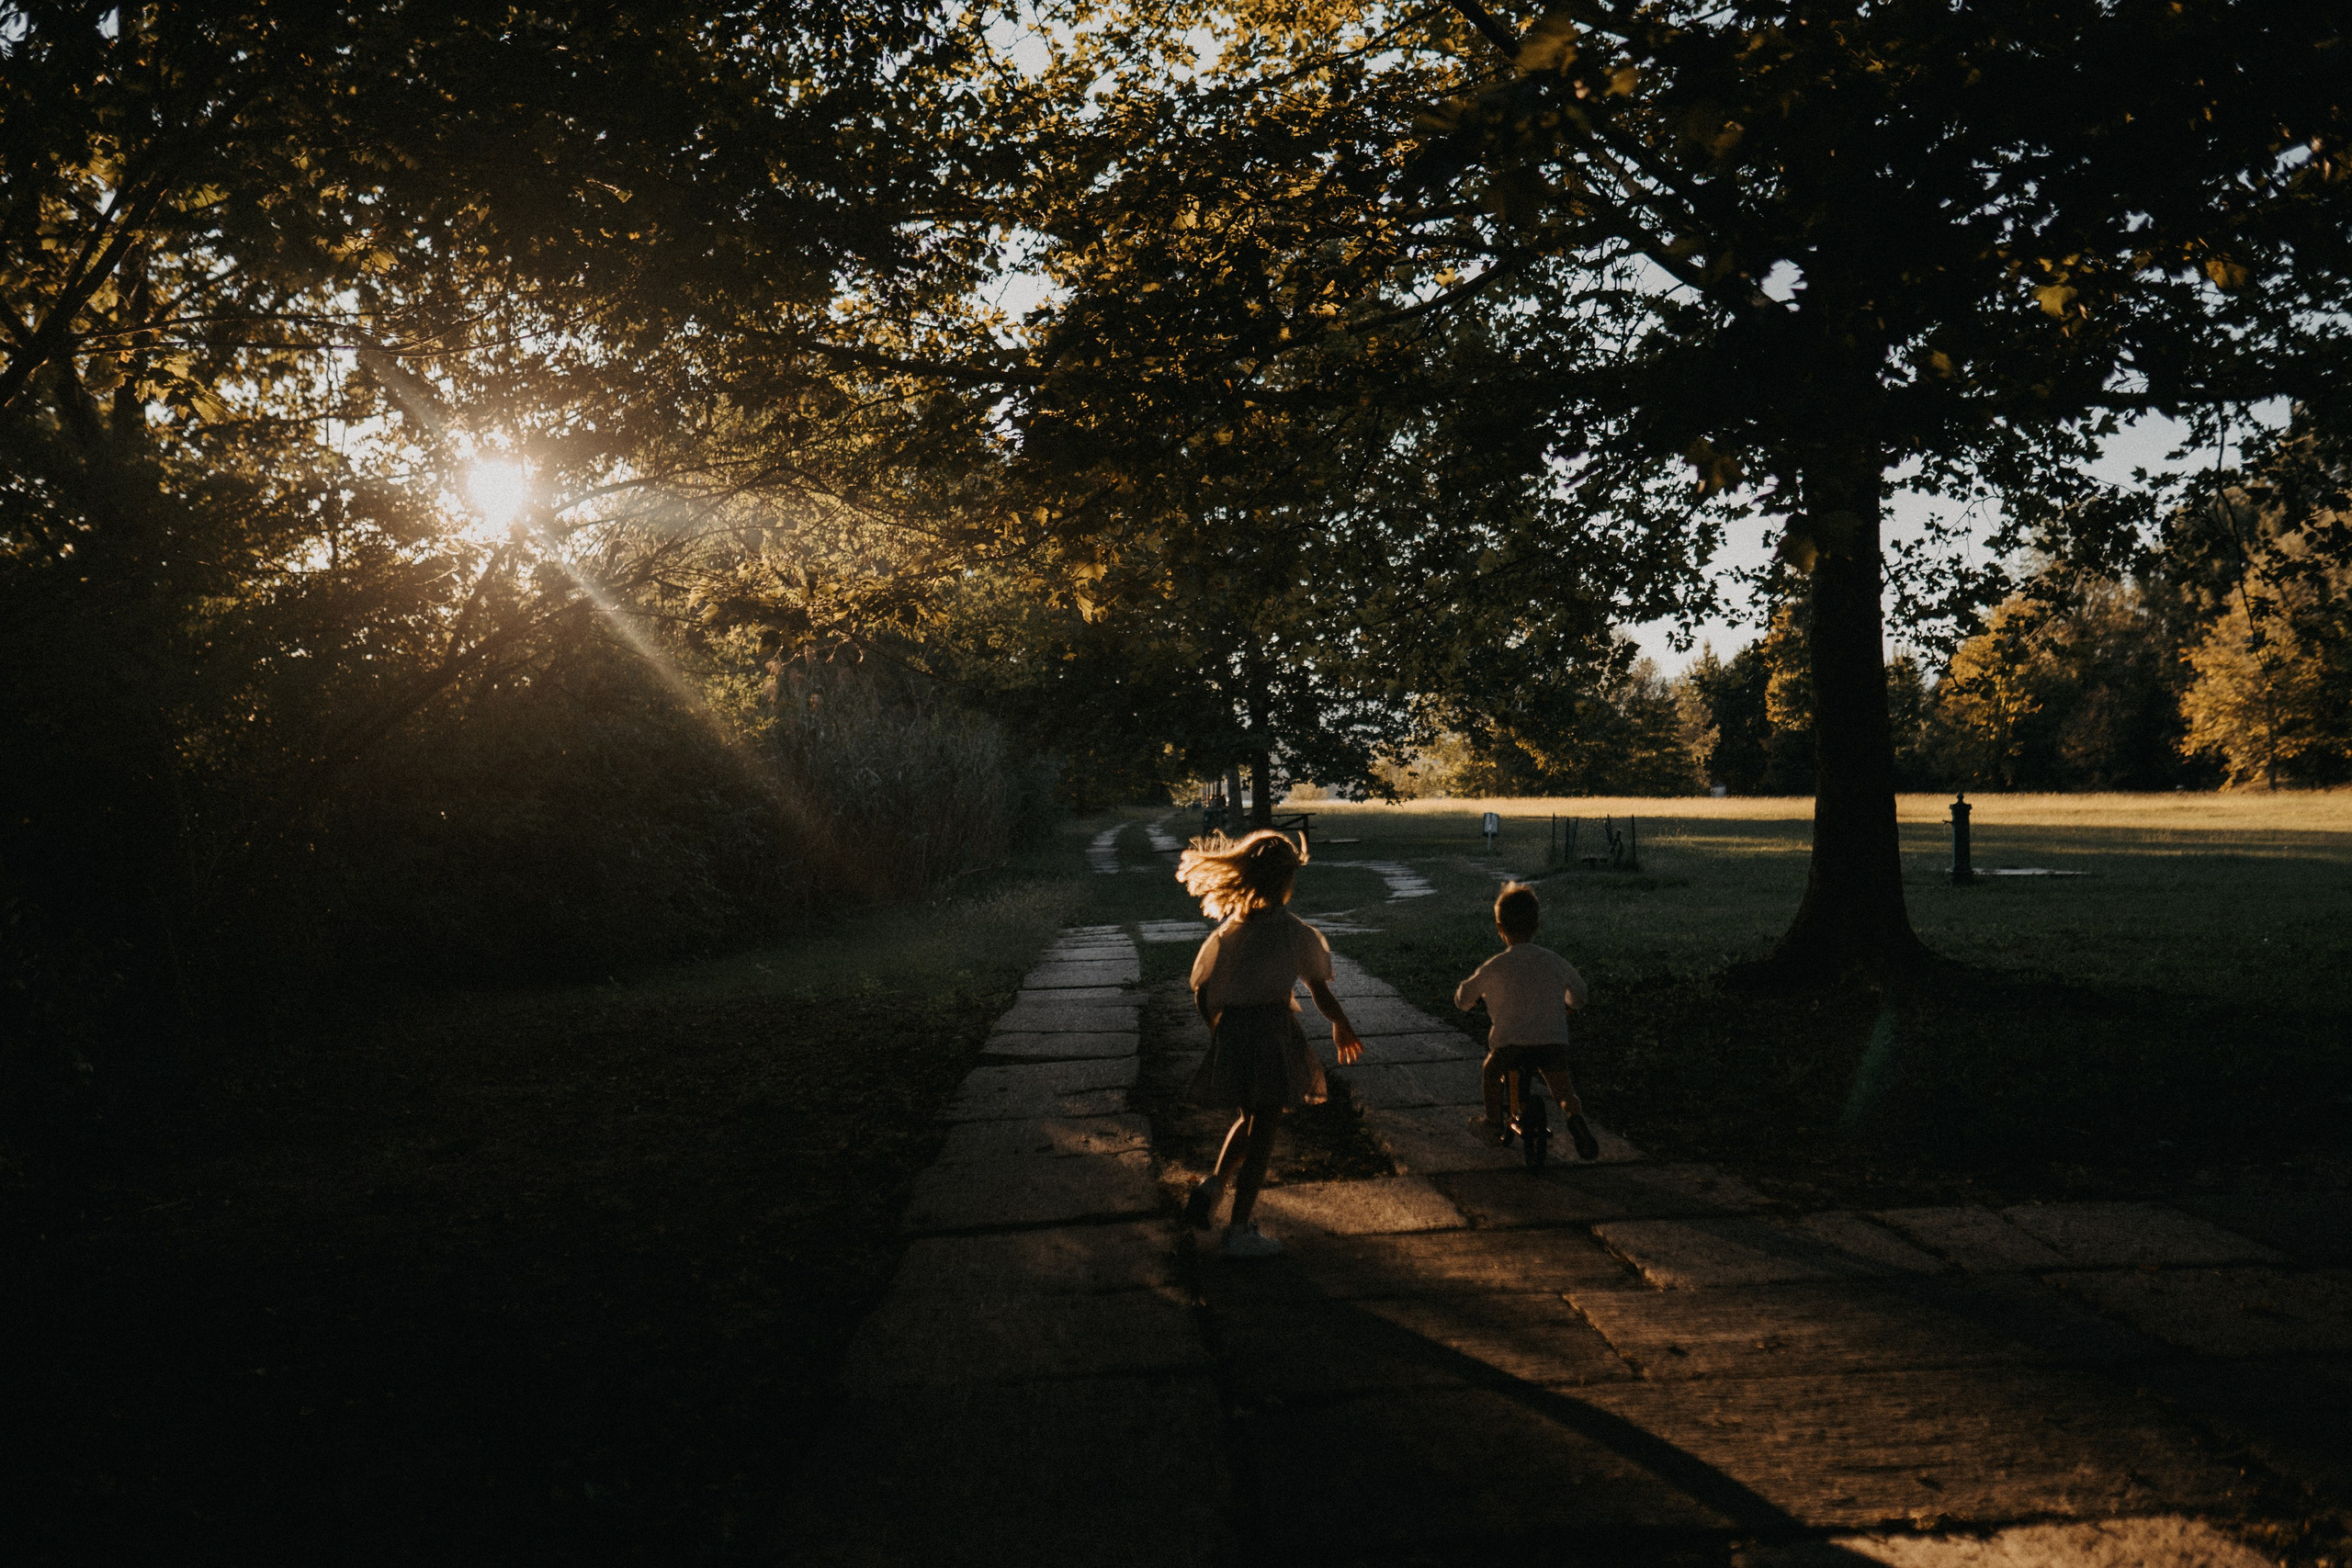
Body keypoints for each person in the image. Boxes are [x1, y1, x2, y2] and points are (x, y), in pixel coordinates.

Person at [1177, 829, 1363, 1257]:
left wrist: (1216, 1030)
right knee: (1264, 1133)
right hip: (1272, 1033)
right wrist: (1342, 1026)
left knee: (1251, 1117)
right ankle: (1238, 1229)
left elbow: (1202, 991)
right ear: (1285, 883)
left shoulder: (1229, 932)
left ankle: (1213, 1186)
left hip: (1235, 1033)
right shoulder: (1294, 932)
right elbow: (1320, 990)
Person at [1454, 882, 1601, 1161]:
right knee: (1561, 1087)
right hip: (1551, 1041)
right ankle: (1575, 1118)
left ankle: (1492, 1123)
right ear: (1536, 926)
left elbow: (1464, 996)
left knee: (1489, 1070)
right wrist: (1567, 1005)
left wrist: (1467, 1002)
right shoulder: (1552, 960)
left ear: (1499, 927)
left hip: (1510, 1044)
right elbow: (1579, 993)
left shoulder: (1496, 965)